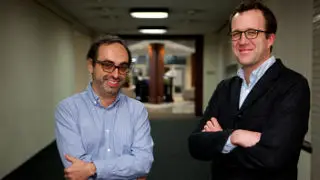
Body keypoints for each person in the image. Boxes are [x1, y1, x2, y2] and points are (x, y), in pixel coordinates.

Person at [188, 1, 310, 180]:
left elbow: (274, 157)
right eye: (236, 34)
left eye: (252, 32)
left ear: (270, 39)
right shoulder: (225, 87)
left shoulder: (293, 85)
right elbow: (196, 144)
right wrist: (235, 136)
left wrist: (221, 140)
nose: (243, 41)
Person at [55, 35, 154, 180]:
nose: (115, 74)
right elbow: (76, 170)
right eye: (107, 65)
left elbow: (144, 163)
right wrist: (129, 170)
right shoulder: (68, 109)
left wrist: (91, 168)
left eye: (123, 67)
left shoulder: (137, 110)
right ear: (91, 66)